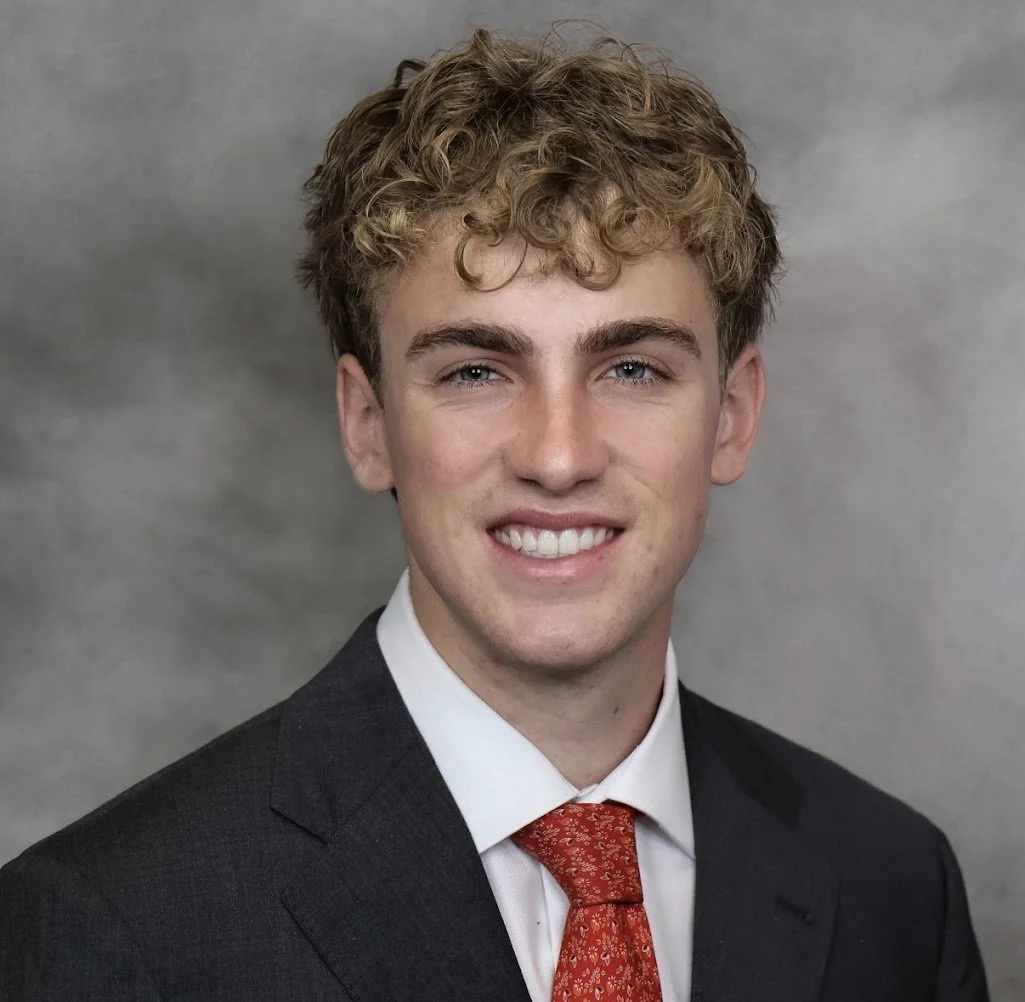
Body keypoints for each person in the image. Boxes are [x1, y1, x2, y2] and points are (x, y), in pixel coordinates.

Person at [0, 23, 989, 1002]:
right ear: (366, 423)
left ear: (729, 418)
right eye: (476, 371)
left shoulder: (890, 889)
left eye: (632, 368)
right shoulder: (106, 933)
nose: (557, 457)